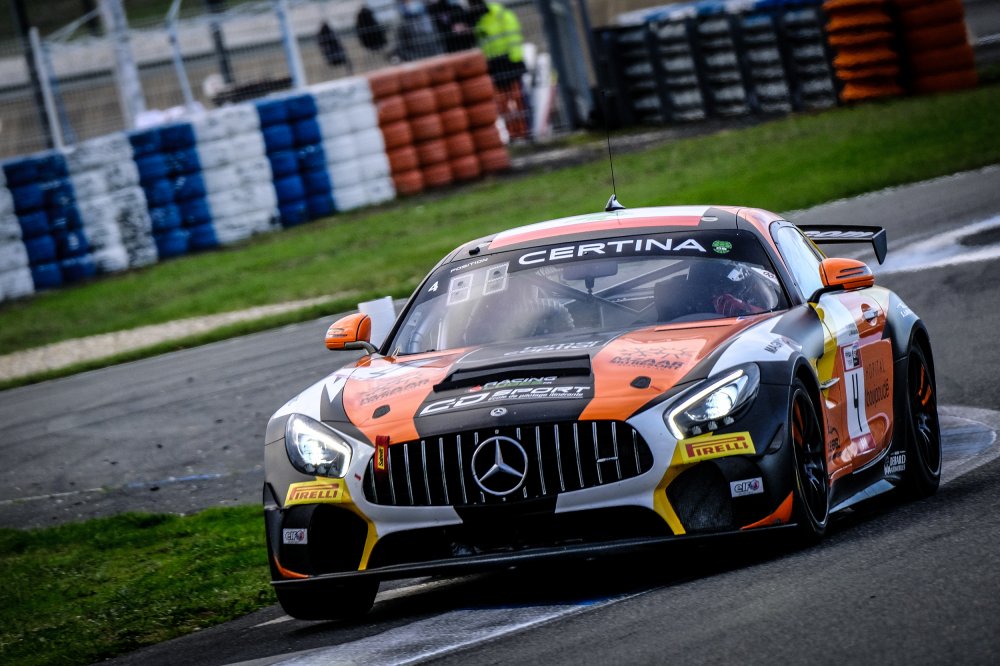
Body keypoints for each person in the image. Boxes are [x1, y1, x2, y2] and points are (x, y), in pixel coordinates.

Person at [467, 0, 530, 140]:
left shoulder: (499, 14)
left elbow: (513, 37)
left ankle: (525, 132)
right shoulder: (474, 18)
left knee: (518, 99)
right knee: (502, 104)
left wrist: (515, 59)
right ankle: (513, 134)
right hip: (493, 65)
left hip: (509, 61)